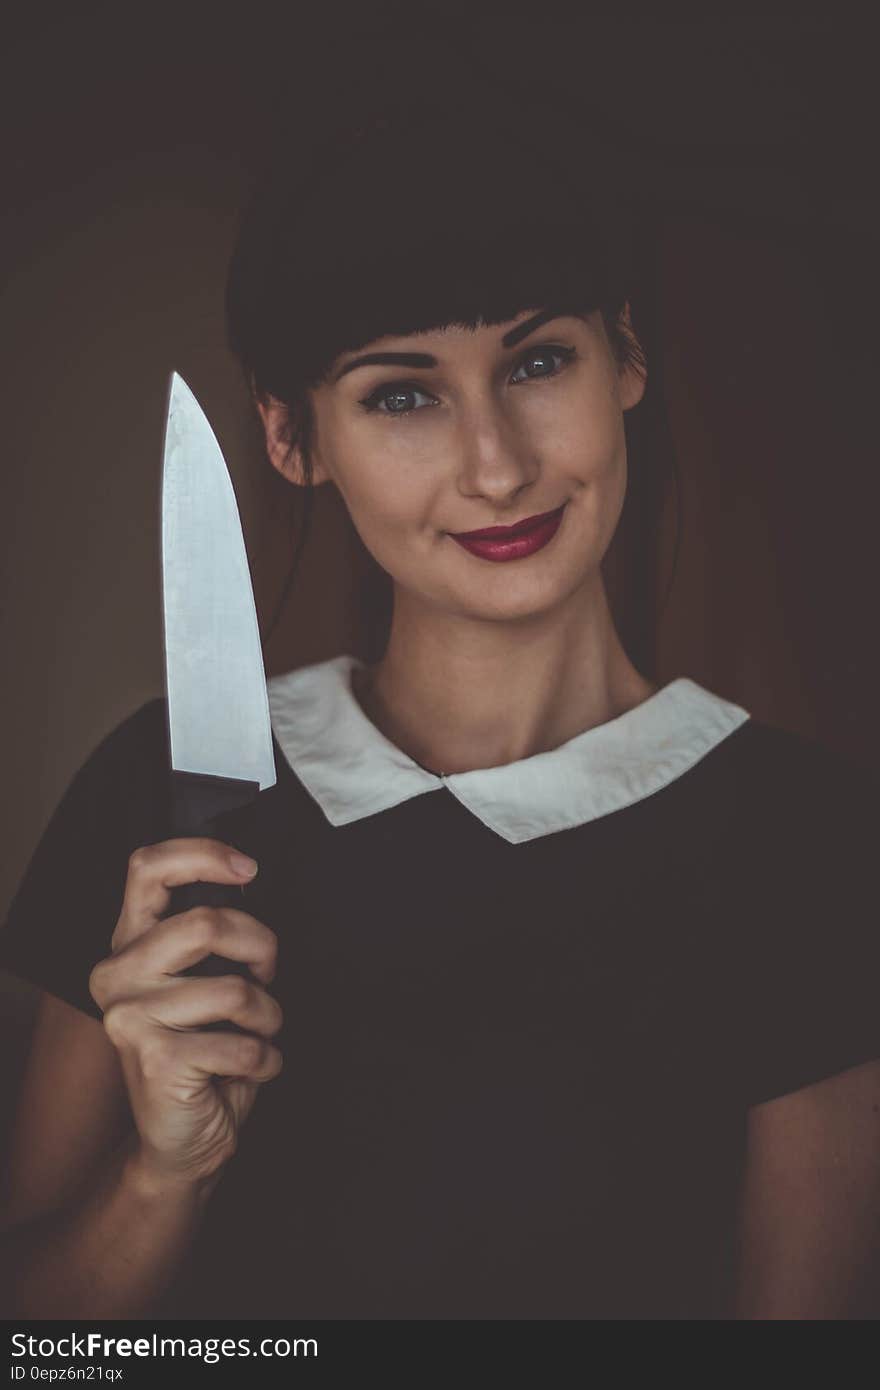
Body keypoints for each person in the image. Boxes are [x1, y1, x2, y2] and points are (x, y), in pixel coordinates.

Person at [1, 99, 879, 1322]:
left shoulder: (813, 840)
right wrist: (164, 1178)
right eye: (401, 396)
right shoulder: (160, 793)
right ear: (290, 436)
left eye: (535, 362)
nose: (497, 465)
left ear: (623, 358)